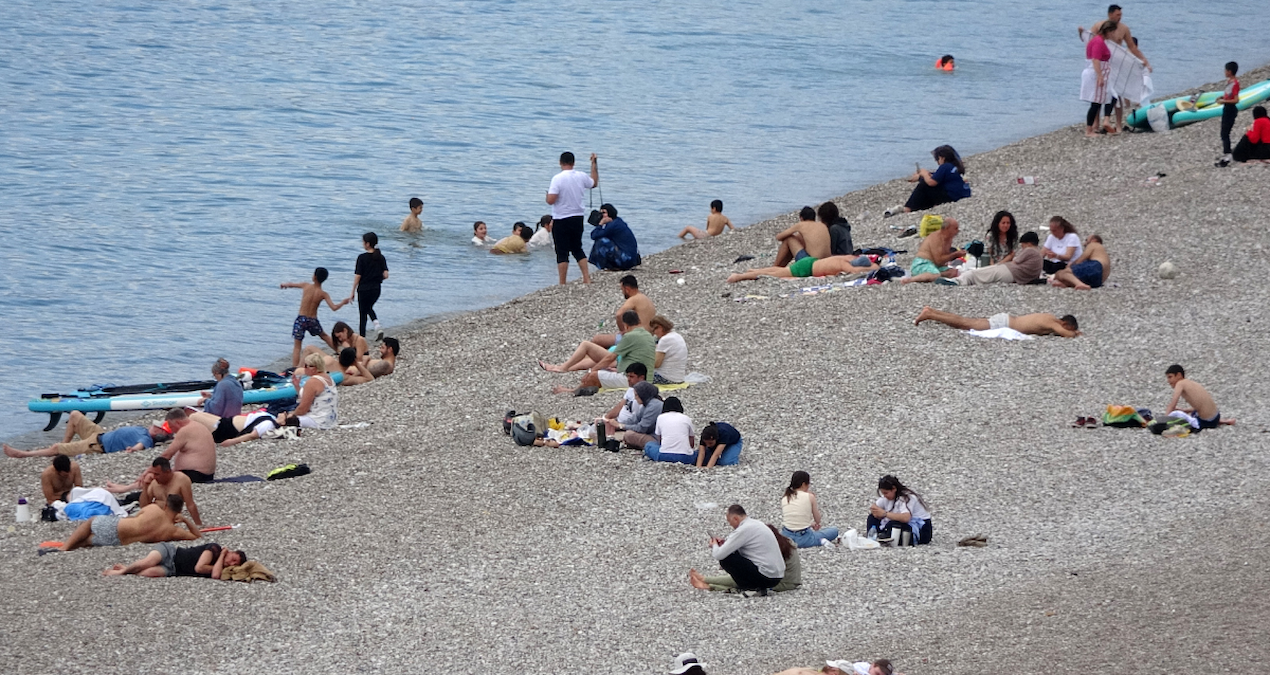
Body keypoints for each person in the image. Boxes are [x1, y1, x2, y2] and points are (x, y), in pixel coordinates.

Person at [539, 275, 653, 365]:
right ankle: (586, 359)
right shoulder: (646, 300)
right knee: (604, 344)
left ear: (627, 289)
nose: (622, 292)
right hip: (647, 336)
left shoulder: (634, 299)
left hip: (635, 337)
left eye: (622, 289)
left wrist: (623, 331)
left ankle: (581, 361)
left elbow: (619, 314)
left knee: (597, 339)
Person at [548, 311, 657, 392]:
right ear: (638, 321)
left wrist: (591, 372)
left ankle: (570, 390)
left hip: (633, 380)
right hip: (647, 378)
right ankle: (565, 370)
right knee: (604, 371)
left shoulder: (630, 336)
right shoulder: (647, 335)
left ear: (626, 325)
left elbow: (610, 358)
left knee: (593, 376)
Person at [1084, 5, 1153, 132]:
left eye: (1120, 15)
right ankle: (1095, 125)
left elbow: (1132, 47)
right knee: (1098, 95)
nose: (1119, 17)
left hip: (1116, 63)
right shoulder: (1099, 26)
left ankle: (1118, 126)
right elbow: (1089, 40)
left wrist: (1145, 61)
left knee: (1117, 94)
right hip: (1101, 62)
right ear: (1110, 15)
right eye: (1117, 15)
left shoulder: (1124, 28)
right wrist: (1080, 33)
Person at [4, 410, 170, 458]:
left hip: (97, 445)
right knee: (75, 415)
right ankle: (65, 445)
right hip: (99, 434)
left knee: (56, 447)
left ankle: (23, 454)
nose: (152, 426)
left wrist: (133, 450)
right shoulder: (144, 430)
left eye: (157, 427)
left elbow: (140, 446)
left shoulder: (146, 438)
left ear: (159, 433)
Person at [62, 495, 200, 551]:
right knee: (87, 541)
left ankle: (63, 548)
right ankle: (69, 547)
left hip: (118, 527)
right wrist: (186, 520)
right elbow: (196, 536)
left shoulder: (154, 509)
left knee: (91, 522)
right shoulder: (171, 531)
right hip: (119, 542)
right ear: (179, 510)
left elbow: (131, 518)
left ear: (166, 506)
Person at [700, 504, 785, 595]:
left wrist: (715, 545)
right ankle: (755, 588)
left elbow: (718, 555)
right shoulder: (756, 524)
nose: (730, 524)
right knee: (732, 554)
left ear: (735, 518)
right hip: (776, 575)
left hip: (766, 577)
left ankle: (751, 588)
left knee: (726, 559)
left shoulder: (743, 529)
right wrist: (724, 544)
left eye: (730, 521)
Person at [692, 523, 800, 594]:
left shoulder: (774, 549)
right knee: (746, 577)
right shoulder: (785, 543)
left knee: (744, 582)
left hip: (785, 583)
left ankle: (708, 583)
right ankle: (706, 582)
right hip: (789, 580)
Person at [546, 151, 599, 284]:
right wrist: (593, 164)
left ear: (560, 163)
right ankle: (586, 277)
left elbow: (551, 200)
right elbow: (594, 183)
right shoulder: (581, 176)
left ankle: (562, 282)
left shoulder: (557, 178)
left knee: (562, 251)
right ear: (573, 163)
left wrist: (547, 196)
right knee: (577, 248)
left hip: (561, 217)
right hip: (577, 217)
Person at [108, 457, 203, 526]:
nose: (154, 476)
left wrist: (198, 524)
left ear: (168, 472)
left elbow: (190, 504)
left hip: (172, 518)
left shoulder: (181, 479)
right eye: (153, 473)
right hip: (154, 517)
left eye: (157, 474)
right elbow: (144, 506)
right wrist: (145, 486)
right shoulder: (154, 483)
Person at [282, 266, 346, 367]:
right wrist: (343, 302)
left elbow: (292, 285)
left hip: (301, 319)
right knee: (324, 336)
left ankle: (294, 369)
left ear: (314, 277)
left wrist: (284, 285)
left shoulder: (306, 286)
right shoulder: (323, 294)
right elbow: (334, 307)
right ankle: (339, 351)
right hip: (312, 320)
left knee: (297, 346)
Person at [884, 145, 970, 216]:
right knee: (927, 185)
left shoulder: (945, 166)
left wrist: (924, 174)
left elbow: (932, 182)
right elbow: (938, 177)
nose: (936, 161)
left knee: (924, 185)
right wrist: (921, 176)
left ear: (942, 158)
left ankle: (908, 208)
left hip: (952, 197)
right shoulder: (954, 167)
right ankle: (918, 207)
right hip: (961, 194)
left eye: (937, 159)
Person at [103, 543, 245, 580]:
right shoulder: (214, 549)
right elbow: (200, 568)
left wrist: (222, 561)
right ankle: (121, 572)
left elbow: (215, 575)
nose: (231, 564)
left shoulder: (219, 569)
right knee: (147, 562)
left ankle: (127, 568)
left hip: (174, 570)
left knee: (146, 573)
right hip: (170, 553)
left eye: (235, 564)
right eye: (232, 559)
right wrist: (222, 554)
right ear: (230, 552)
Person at [914, 306, 1082, 337]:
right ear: (1065, 324)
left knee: (965, 321)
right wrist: (1074, 333)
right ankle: (930, 314)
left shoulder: (1050, 316)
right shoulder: (1054, 323)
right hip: (1004, 323)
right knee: (965, 324)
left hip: (1006, 320)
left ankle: (933, 311)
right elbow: (1066, 334)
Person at [955, 231, 1042, 286]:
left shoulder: (1030, 250)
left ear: (1029, 243)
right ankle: (963, 278)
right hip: (1017, 276)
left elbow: (1016, 261)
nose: (1022, 248)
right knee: (986, 273)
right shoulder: (1039, 254)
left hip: (1011, 272)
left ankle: (961, 281)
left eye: (1023, 246)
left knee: (981, 273)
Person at [154, 409, 218, 483]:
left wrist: (150, 472)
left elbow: (167, 455)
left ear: (177, 422)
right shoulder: (197, 426)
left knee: (156, 482)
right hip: (206, 474)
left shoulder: (185, 430)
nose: (172, 431)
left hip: (195, 474)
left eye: (171, 427)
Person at [278, 352, 339, 430]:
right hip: (330, 420)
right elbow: (311, 397)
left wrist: (292, 415)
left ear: (314, 368)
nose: (304, 368)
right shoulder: (328, 378)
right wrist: (297, 386)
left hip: (318, 421)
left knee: (283, 418)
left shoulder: (312, 382)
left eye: (306, 366)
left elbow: (303, 409)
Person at [344, 232, 388, 338]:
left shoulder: (362, 258)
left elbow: (358, 276)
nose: (363, 244)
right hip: (376, 289)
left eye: (363, 242)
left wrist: (352, 291)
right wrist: (376, 277)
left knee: (363, 314)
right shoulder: (380, 257)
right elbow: (386, 275)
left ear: (367, 244)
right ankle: (376, 325)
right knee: (368, 308)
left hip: (364, 289)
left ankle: (363, 337)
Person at [867, 475, 933, 546]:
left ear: (894, 489)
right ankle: (876, 535)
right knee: (872, 518)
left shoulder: (907, 498)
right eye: (883, 493)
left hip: (920, 528)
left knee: (894, 524)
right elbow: (874, 507)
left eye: (886, 493)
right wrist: (877, 513)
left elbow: (906, 518)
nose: (884, 495)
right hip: (903, 524)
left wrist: (884, 514)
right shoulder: (886, 498)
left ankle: (888, 537)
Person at [1165, 365, 1235, 430]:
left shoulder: (1180, 383)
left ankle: (1217, 422)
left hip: (1206, 422)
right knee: (1194, 412)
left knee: (1176, 414)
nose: (1168, 381)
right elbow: (1200, 404)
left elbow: (1172, 404)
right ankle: (1222, 421)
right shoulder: (1190, 383)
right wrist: (1185, 410)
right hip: (1216, 417)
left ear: (1179, 375)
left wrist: (1164, 420)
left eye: (1170, 377)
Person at [780, 471, 839, 548]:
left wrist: (810, 524)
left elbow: (794, 518)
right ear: (804, 484)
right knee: (834, 530)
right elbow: (818, 520)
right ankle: (820, 541)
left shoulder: (785, 498)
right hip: (804, 538)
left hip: (786, 537)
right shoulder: (810, 496)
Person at [726, 254, 877, 283]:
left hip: (811, 262)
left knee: (778, 270)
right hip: (807, 268)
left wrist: (872, 263)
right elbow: (856, 271)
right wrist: (869, 268)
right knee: (777, 274)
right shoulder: (845, 265)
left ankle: (753, 271)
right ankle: (739, 276)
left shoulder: (847, 258)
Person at [1080, 21, 1118, 136]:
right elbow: (1095, 59)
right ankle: (1089, 130)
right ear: (1109, 31)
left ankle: (1096, 126)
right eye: (1113, 32)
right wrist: (1100, 76)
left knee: (1108, 96)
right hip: (1096, 74)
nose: (1114, 35)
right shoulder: (1098, 42)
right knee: (1096, 102)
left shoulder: (1097, 40)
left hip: (1098, 73)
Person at [900, 217, 962, 284]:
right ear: (947, 229)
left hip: (935, 265)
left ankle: (934, 275)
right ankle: (911, 280)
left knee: (954, 272)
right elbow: (938, 260)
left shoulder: (948, 239)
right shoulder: (936, 238)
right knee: (934, 275)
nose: (957, 231)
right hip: (922, 263)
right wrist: (955, 255)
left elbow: (942, 261)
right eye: (955, 228)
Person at [607, 380, 663, 450]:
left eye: (636, 395)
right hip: (652, 434)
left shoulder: (653, 406)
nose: (635, 398)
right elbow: (634, 419)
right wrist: (615, 424)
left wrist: (621, 426)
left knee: (629, 435)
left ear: (643, 394)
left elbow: (642, 428)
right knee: (628, 433)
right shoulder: (646, 404)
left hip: (658, 439)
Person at [200, 358, 244, 444]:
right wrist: (211, 395)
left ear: (218, 373)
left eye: (214, 375)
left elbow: (216, 408)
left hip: (224, 425)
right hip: (236, 420)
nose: (215, 378)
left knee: (192, 414)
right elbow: (228, 398)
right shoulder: (236, 382)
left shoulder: (222, 384)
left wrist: (205, 401)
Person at [589, 203, 641, 271]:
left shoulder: (613, 225)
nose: (602, 215)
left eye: (604, 213)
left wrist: (600, 224)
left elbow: (594, 236)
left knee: (601, 241)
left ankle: (603, 266)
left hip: (627, 259)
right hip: (630, 259)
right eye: (600, 213)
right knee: (604, 240)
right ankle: (609, 266)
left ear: (610, 213)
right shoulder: (617, 221)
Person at [642, 397, 695, 464]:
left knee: (649, 445)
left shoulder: (660, 418)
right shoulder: (687, 418)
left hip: (664, 456)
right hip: (686, 457)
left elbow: (660, 440)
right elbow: (691, 443)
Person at [1216, 62, 1242, 166]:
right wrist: (1222, 98)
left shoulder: (1235, 83)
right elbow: (1229, 96)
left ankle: (1228, 155)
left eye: (1225, 70)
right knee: (1223, 132)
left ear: (1229, 71)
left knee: (1225, 133)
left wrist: (1224, 101)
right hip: (1227, 108)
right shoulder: (1229, 82)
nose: (1224, 72)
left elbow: (1236, 100)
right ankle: (1227, 153)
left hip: (1230, 109)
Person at [649, 316, 688, 385]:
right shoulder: (677, 336)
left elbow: (656, 364)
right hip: (679, 377)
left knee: (638, 377)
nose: (654, 333)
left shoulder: (664, 340)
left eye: (654, 330)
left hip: (666, 377)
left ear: (660, 328)